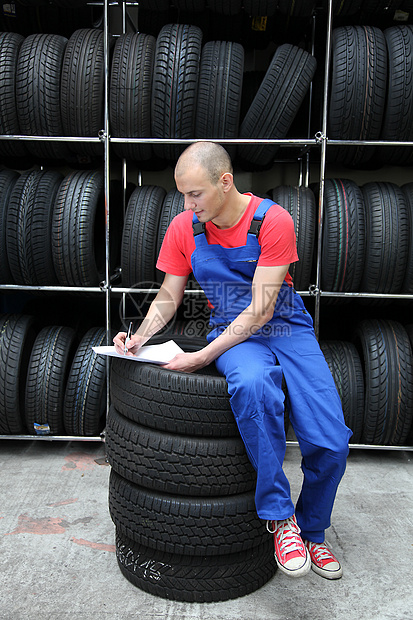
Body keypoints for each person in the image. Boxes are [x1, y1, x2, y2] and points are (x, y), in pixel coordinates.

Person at [113, 141, 352, 580]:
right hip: (233, 330)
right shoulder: (186, 228)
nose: (187, 204)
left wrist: (203, 356)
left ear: (225, 182)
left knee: (331, 439)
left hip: (284, 325)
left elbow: (262, 309)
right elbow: (169, 295)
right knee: (254, 388)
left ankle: (314, 532)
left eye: (194, 194)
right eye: (183, 194)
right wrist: (139, 336)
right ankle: (281, 519)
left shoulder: (272, 221)